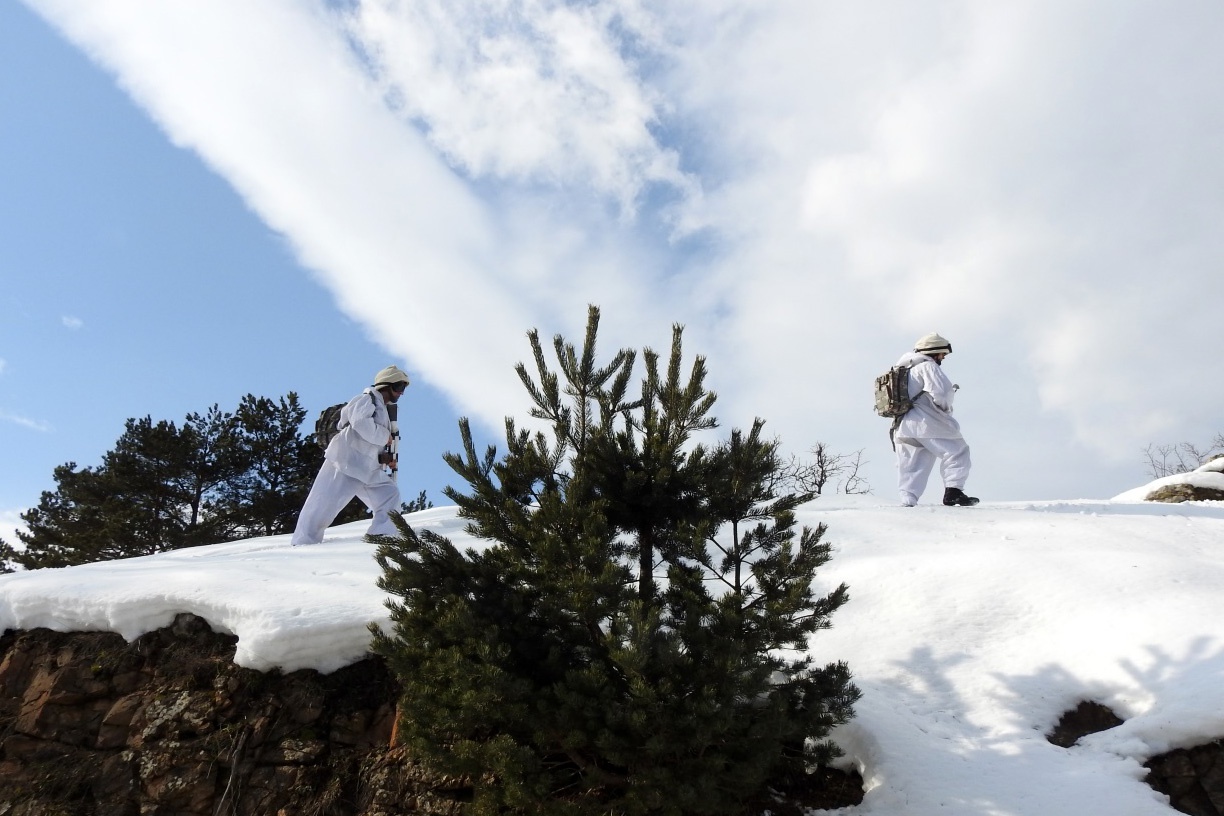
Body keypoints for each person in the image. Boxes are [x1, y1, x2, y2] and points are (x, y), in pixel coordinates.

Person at [291, 365, 410, 546]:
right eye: (400, 386)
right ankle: (303, 542)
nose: (402, 393)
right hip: (346, 462)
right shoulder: (365, 400)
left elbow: (370, 445)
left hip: (367, 468)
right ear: (386, 385)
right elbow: (361, 424)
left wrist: (384, 458)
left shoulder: (384, 411)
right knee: (322, 505)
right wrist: (384, 436)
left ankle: (383, 535)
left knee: (389, 494)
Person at [893, 333, 979, 507]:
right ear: (934, 352)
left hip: (903, 424)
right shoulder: (927, 366)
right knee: (957, 451)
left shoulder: (902, 368)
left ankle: (908, 500)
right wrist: (945, 409)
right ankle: (953, 492)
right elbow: (943, 392)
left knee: (912, 463)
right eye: (942, 354)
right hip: (927, 421)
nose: (943, 357)